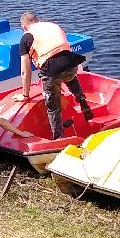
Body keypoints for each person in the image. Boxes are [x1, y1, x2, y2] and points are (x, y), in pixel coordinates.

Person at [15, 10, 95, 141]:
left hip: (52, 71)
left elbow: (25, 71)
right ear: (38, 20)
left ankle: (58, 138)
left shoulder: (26, 37)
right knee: (67, 74)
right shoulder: (52, 26)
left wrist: (25, 95)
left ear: (23, 27)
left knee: (53, 106)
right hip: (72, 63)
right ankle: (82, 100)